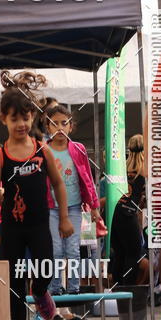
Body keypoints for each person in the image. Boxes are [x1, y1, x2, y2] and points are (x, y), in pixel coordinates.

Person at [0, 71, 73, 320]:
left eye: (25, 117)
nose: (21, 124)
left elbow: (58, 183)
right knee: (14, 280)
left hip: (39, 225)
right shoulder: (0, 156)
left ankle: (40, 291)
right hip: (12, 227)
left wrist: (64, 218)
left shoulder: (42, 149)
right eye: (14, 119)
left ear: (33, 116)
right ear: (4, 119)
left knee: (46, 270)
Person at [45, 103, 101, 297]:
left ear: (71, 126)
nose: (60, 127)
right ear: (47, 127)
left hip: (75, 207)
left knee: (73, 249)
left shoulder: (78, 149)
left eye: (64, 123)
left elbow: (88, 179)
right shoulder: (44, 150)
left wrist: (94, 206)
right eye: (55, 123)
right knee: (55, 250)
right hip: (51, 208)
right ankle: (55, 288)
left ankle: (74, 288)